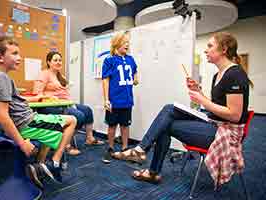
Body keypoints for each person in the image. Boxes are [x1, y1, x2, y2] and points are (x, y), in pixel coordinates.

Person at [114, 32, 253, 185]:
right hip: (214, 123)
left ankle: (148, 163)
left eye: (210, 46)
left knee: (165, 126)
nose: (206, 50)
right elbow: (217, 107)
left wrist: (202, 101)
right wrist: (199, 92)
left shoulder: (235, 74)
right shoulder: (218, 74)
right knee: (169, 110)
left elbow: (234, 115)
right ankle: (142, 153)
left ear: (224, 49)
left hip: (225, 133)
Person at [0, 35, 77, 189]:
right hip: (27, 123)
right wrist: (22, 143)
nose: (19, 58)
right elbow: (2, 116)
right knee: (72, 120)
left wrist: (35, 99)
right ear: (0, 56)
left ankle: (39, 166)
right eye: (14, 54)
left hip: (29, 119)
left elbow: (14, 102)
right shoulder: (2, 79)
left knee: (56, 127)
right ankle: (53, 163)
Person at [34, 51, 104, 156]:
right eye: (55, 60)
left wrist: (71, 103)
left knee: (87, 110)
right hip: (49, 107)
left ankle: (89, 138)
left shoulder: (61, 76)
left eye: (60, 60)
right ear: (49, 62)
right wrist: (49, 97)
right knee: (78, 116)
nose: (58, 62)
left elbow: (65, 94)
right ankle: (66, 144)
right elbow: (36, 93)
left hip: (64, 104)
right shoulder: (44, 74)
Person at [101, 32, 139, 164]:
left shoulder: (130, 59)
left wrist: (135, 78)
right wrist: (106, 99)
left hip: (127, 100)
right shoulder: (109, 60)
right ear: (117, 44)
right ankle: (110, 148)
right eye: (125, 42)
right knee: (112, 125)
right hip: (114, 100)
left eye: (128, 42)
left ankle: (125, 148)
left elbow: (135, 72)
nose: (127, 45)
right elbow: (105, 80)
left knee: (125, 125)